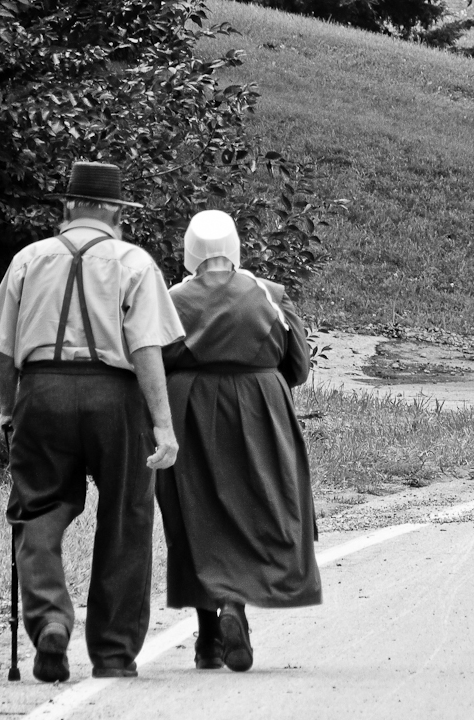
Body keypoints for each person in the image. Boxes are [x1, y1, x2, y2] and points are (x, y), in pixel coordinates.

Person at [0, 161, 185, 682]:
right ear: (116, 212)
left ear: (67, 207)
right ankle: (113, 653)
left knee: (38, 507)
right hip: (115, 399)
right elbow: (146, 347)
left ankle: (49, 619)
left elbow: (3, 352)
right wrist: (162, 422)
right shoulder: (134, 263)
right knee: (125, 516)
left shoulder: (28, 260)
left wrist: (8, 409)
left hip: (42, 392)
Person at [155, 209, 321, 673]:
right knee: (257, 509)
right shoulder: (270, 296)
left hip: (190, 413)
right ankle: (233, 609)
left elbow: (157, 361)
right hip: (259, 412)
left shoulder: (171, 300)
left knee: (196, 516)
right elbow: (300, 368)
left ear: (189, 251)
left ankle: (209, 636)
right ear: (235, 248)